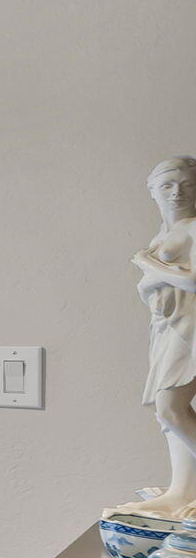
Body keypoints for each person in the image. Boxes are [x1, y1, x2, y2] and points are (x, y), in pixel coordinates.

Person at [114, 156, 196, 519]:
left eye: (188, 184)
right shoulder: (161, 236)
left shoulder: (194, 229)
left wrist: (147, 263)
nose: (177, 192)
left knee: (171, 407)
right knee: (167, 415)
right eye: (167, 185)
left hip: (190, 327)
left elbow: (192, 281)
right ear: (152, 191)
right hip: (166, 325)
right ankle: (181, 491)